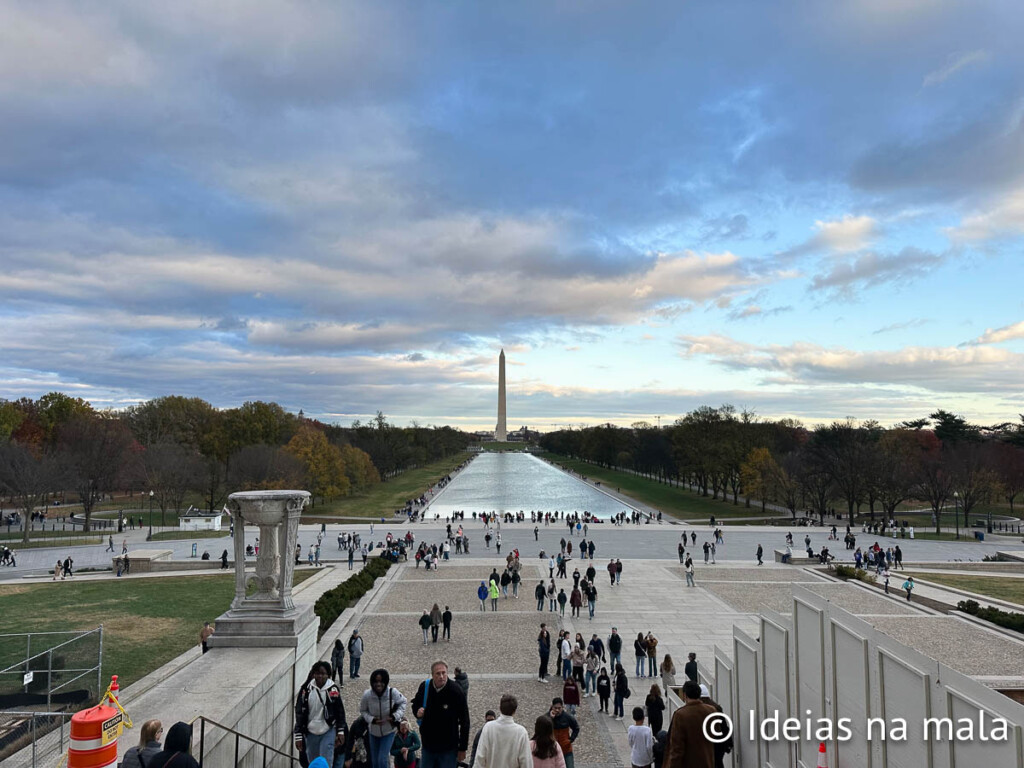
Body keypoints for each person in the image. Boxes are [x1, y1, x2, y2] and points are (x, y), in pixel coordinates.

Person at [411, 661, 470, 768]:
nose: (441, 676)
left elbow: (465, 721)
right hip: (428, 746)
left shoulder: (456, 691)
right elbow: (415, 704)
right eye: (438, 673)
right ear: (432, 675)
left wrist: (462, 748)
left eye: (444, 673)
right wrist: (417, 712)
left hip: (448, 748)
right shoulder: (425, 687)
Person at [295, 660, 347, 765]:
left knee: (325, 762)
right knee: (313, 762)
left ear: (328, 675)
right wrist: (298, 735)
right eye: (318, 673)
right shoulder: (306, 690)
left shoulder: (333, 690)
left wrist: (340, 731)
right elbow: (300, 713)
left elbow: (339, 711)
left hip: (327, 730)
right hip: (310, 732)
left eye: (323, 674)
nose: (320, 676)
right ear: (313, 674)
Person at [360, 668, 407, 768]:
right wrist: (372, 719)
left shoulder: (392, 692)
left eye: (381, 681)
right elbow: (363, 711)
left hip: (388, 731)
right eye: (376, 682)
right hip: (373, 732)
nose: (378, 684)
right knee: (375, 762)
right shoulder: (367, 695)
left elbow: (403, 702)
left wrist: (395, 716)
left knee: (382, 759)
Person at [664, 681, 716, 768]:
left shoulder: (680, 715)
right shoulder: (711, 711)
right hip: (707, 763)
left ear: (685, 695)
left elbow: (677, 748)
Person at [474, 694, 532, 768]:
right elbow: (526, 763)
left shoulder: (488, 727)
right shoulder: (521, 732)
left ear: (500, 708)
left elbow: (480, 757)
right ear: (514, 711)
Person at [548, 699, 579, 768]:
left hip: (566, 749)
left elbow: (576, 728)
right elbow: (543, 728)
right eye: (555, 708)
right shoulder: (547, 717)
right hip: (552, 750)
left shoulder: (567, 717)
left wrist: (571, 739)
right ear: (552, 707)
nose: (557, 710)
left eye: (559, 708)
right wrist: (551, 718)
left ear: (562, 707)